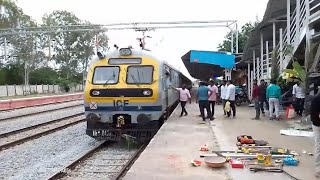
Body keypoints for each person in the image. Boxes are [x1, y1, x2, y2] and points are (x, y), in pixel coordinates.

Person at [311, 89, 320, 178]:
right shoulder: (316, 99)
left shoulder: (315, 99)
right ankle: (318, 169)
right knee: (318, 146)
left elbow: (312, 115)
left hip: (316, 125)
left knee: (318, 146)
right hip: (317, 125)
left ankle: (318, 169)